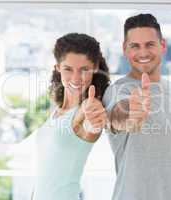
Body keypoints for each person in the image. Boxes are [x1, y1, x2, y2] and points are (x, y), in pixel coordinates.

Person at [103, 14, 171, 200]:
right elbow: (117, 117)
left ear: (162, 46)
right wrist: (132, 114)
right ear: (125, 49)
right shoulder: (118, 91)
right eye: (135, 46)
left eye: (149, 44)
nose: (143, 52)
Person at [33, 33, 110, 200]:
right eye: (68, 69)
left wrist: (95, 119)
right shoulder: (56, 111)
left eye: (84, 70)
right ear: (58, 68)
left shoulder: (85, 110)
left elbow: (92, 123)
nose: (76, 78)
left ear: (95, 68)